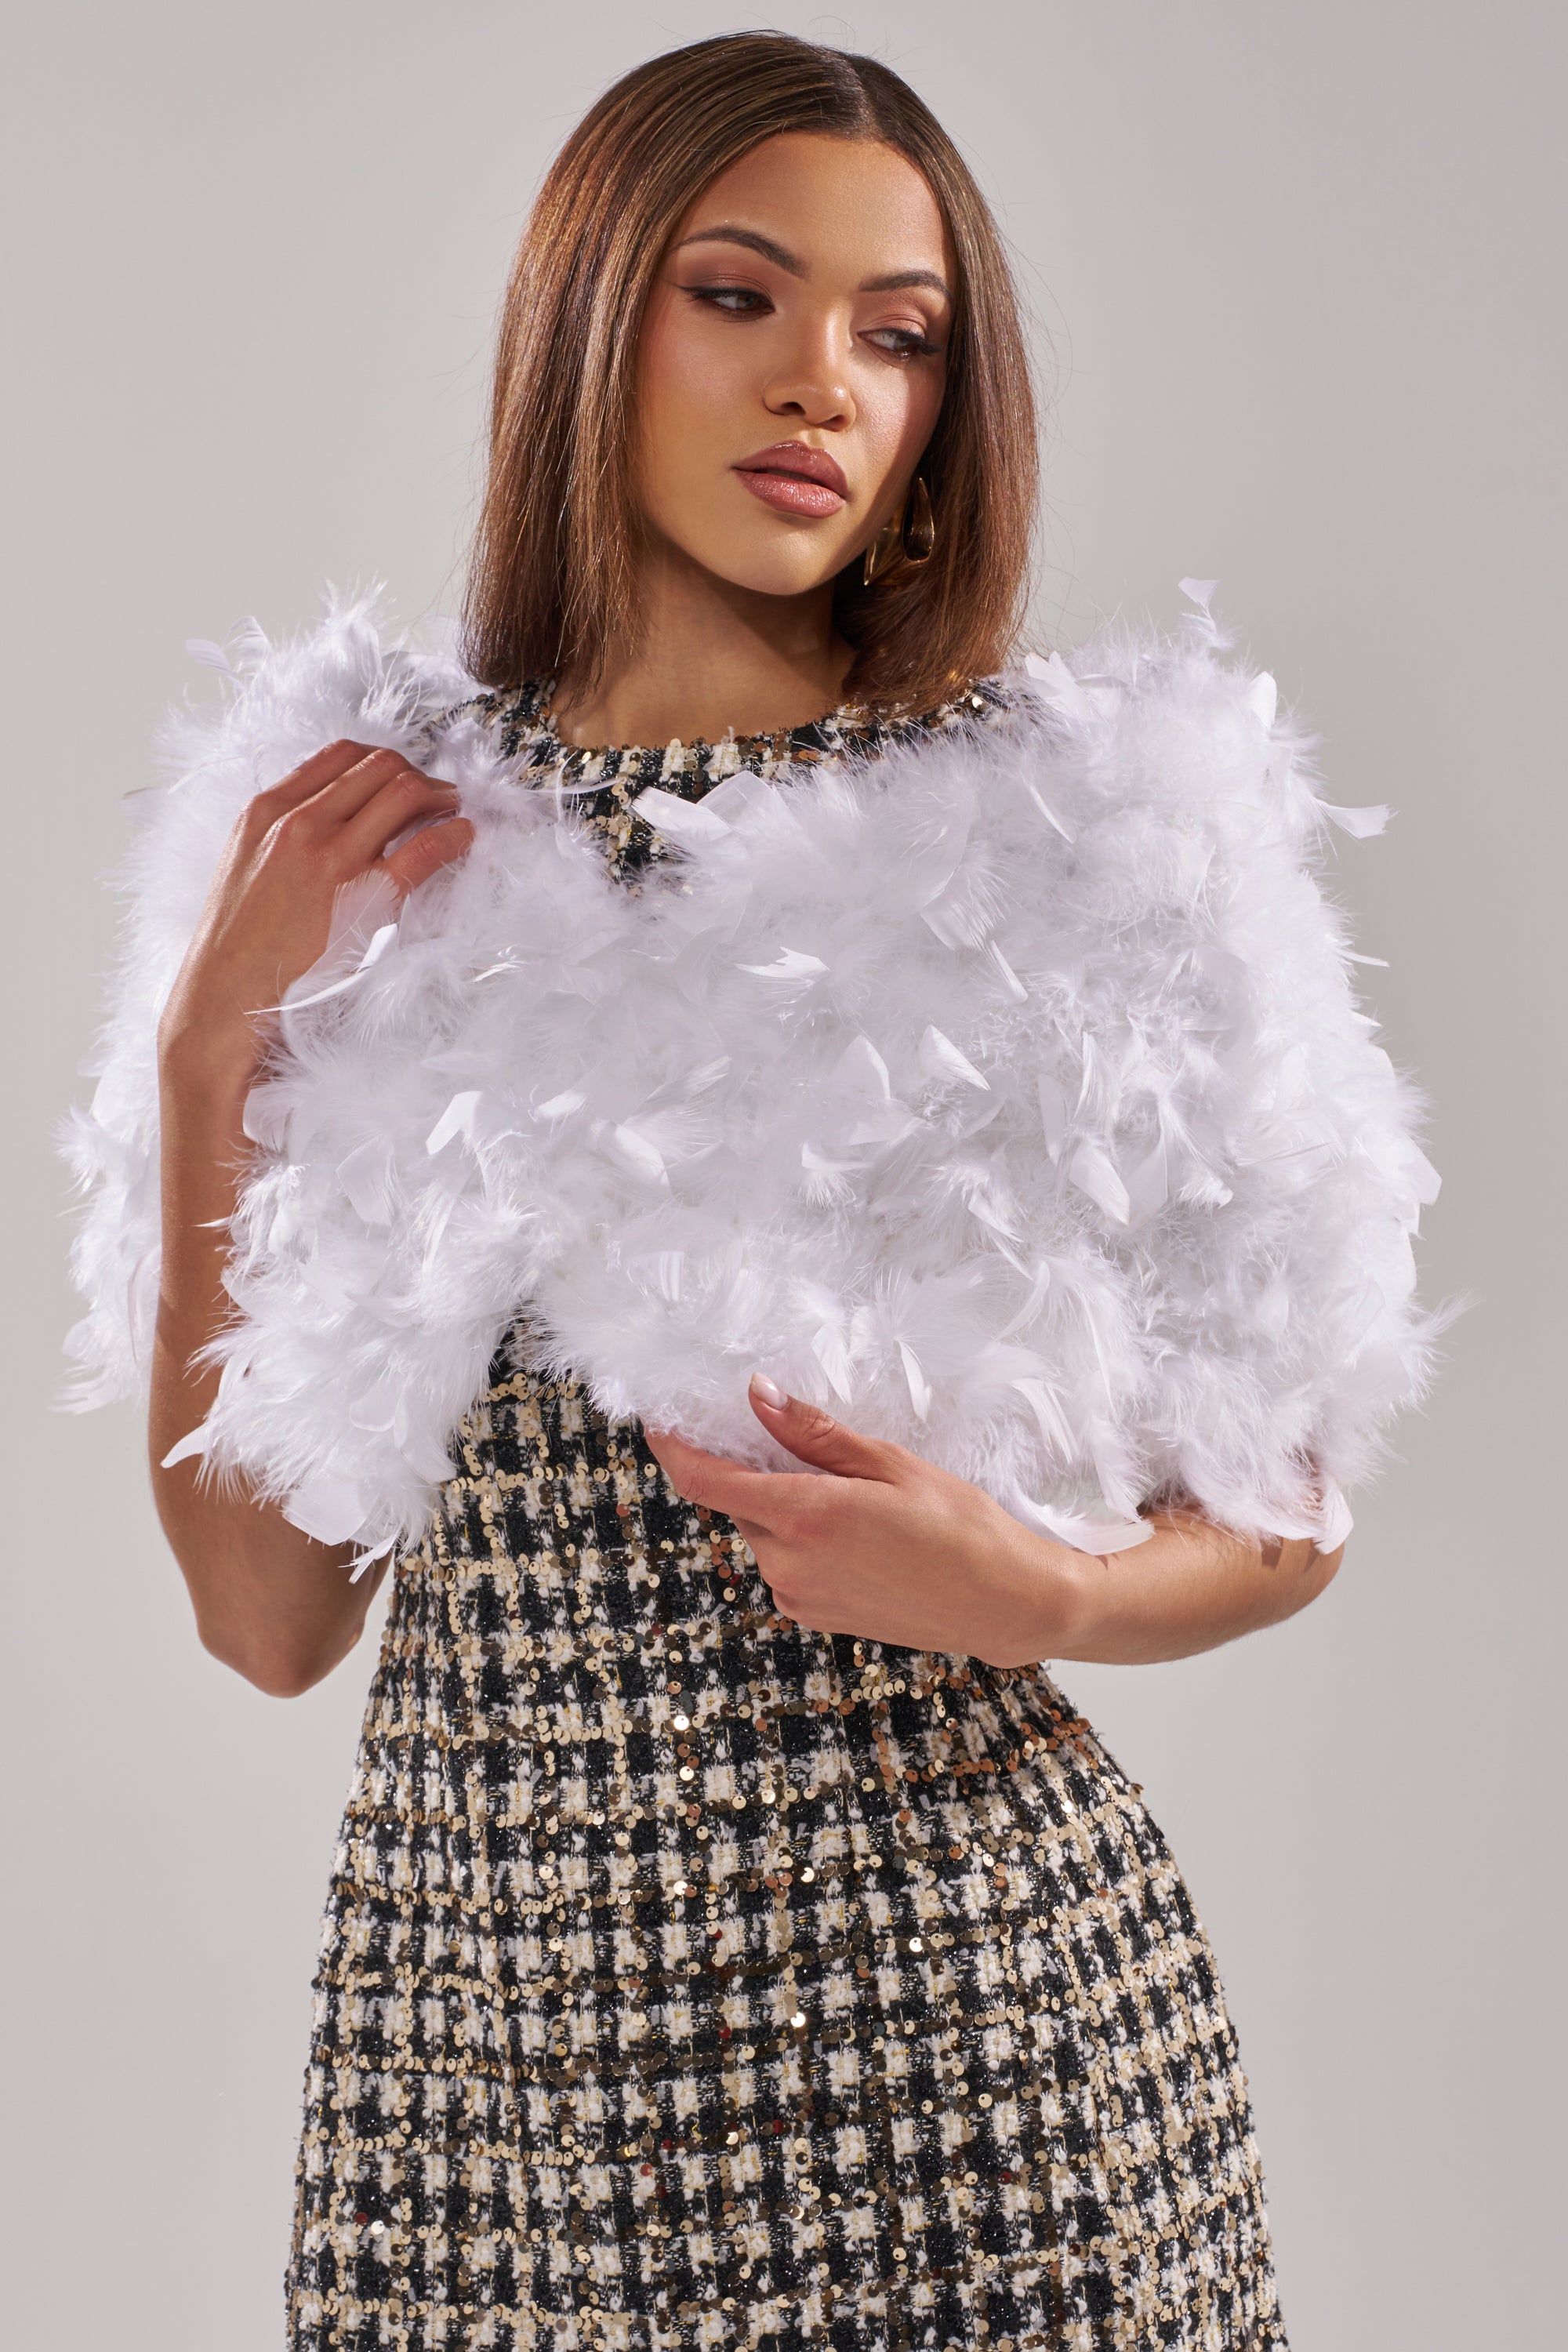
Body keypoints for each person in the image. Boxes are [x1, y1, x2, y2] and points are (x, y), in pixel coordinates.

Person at [67, 31, 1437, 2352]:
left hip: (974, 2064)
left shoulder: (1085, 847)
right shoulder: (350, 852)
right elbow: (270, 1624)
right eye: (742, 295)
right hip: (481, 2093)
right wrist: (220, 1055)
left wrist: (1038, 1589)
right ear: (591, 321)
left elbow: (1289, 1502)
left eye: (899, 335)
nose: (825, 380)